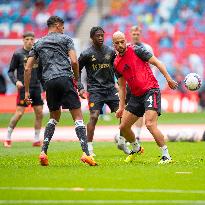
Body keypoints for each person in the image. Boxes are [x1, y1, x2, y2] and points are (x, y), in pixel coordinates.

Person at [24, 16, 97, 166]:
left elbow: (27, 68)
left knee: (54, 116)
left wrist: (26, 92)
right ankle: (86, 153)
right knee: (77, 116)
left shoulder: (38, 43)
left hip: (49, 82)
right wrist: (77, 80)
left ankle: (43, 152)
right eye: (62, 26)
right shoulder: (66, 39)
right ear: (57, 25)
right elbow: (74, 61)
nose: (64, 29)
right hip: (65, 78)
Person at [112, 31, 178, 164]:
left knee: (149, 124)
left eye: (122, 41)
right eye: (117, 43)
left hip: (151, 90)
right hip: (136, 96)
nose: (120, 45)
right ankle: (136, 148)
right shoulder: (116, 64)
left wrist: (168, 79)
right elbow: (122, 87)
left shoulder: (137, 50)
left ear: (126, 40)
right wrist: (121, 107)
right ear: (114, 45)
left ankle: (166, 155)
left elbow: (158, 63)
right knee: (123, 127)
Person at [78, 26, 129, 156]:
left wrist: (120, 83)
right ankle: (89, 148)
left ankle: (122, 142)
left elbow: (117, 68)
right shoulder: (86, 54)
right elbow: (76, 70)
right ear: (92, 37)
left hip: (111, 89)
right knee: (94, 116)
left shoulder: (111, 52)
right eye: (97, 36)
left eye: (102, 35)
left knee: (123, 115)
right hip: (95, 90)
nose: (100, 38)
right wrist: (80, 87)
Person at [4, 32, 43, 148]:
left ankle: (36, 139)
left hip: (36, 87)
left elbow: (41, 71)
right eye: (27, 39)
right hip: (24, 88)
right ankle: (8, 137)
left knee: (39, 113)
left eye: (32, 39)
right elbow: (10, 71)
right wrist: (16, 81)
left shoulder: (37, 54)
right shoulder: (18, 54)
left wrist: (43, 86)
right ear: (23, 40)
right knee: (19, 113)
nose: (30, 41)